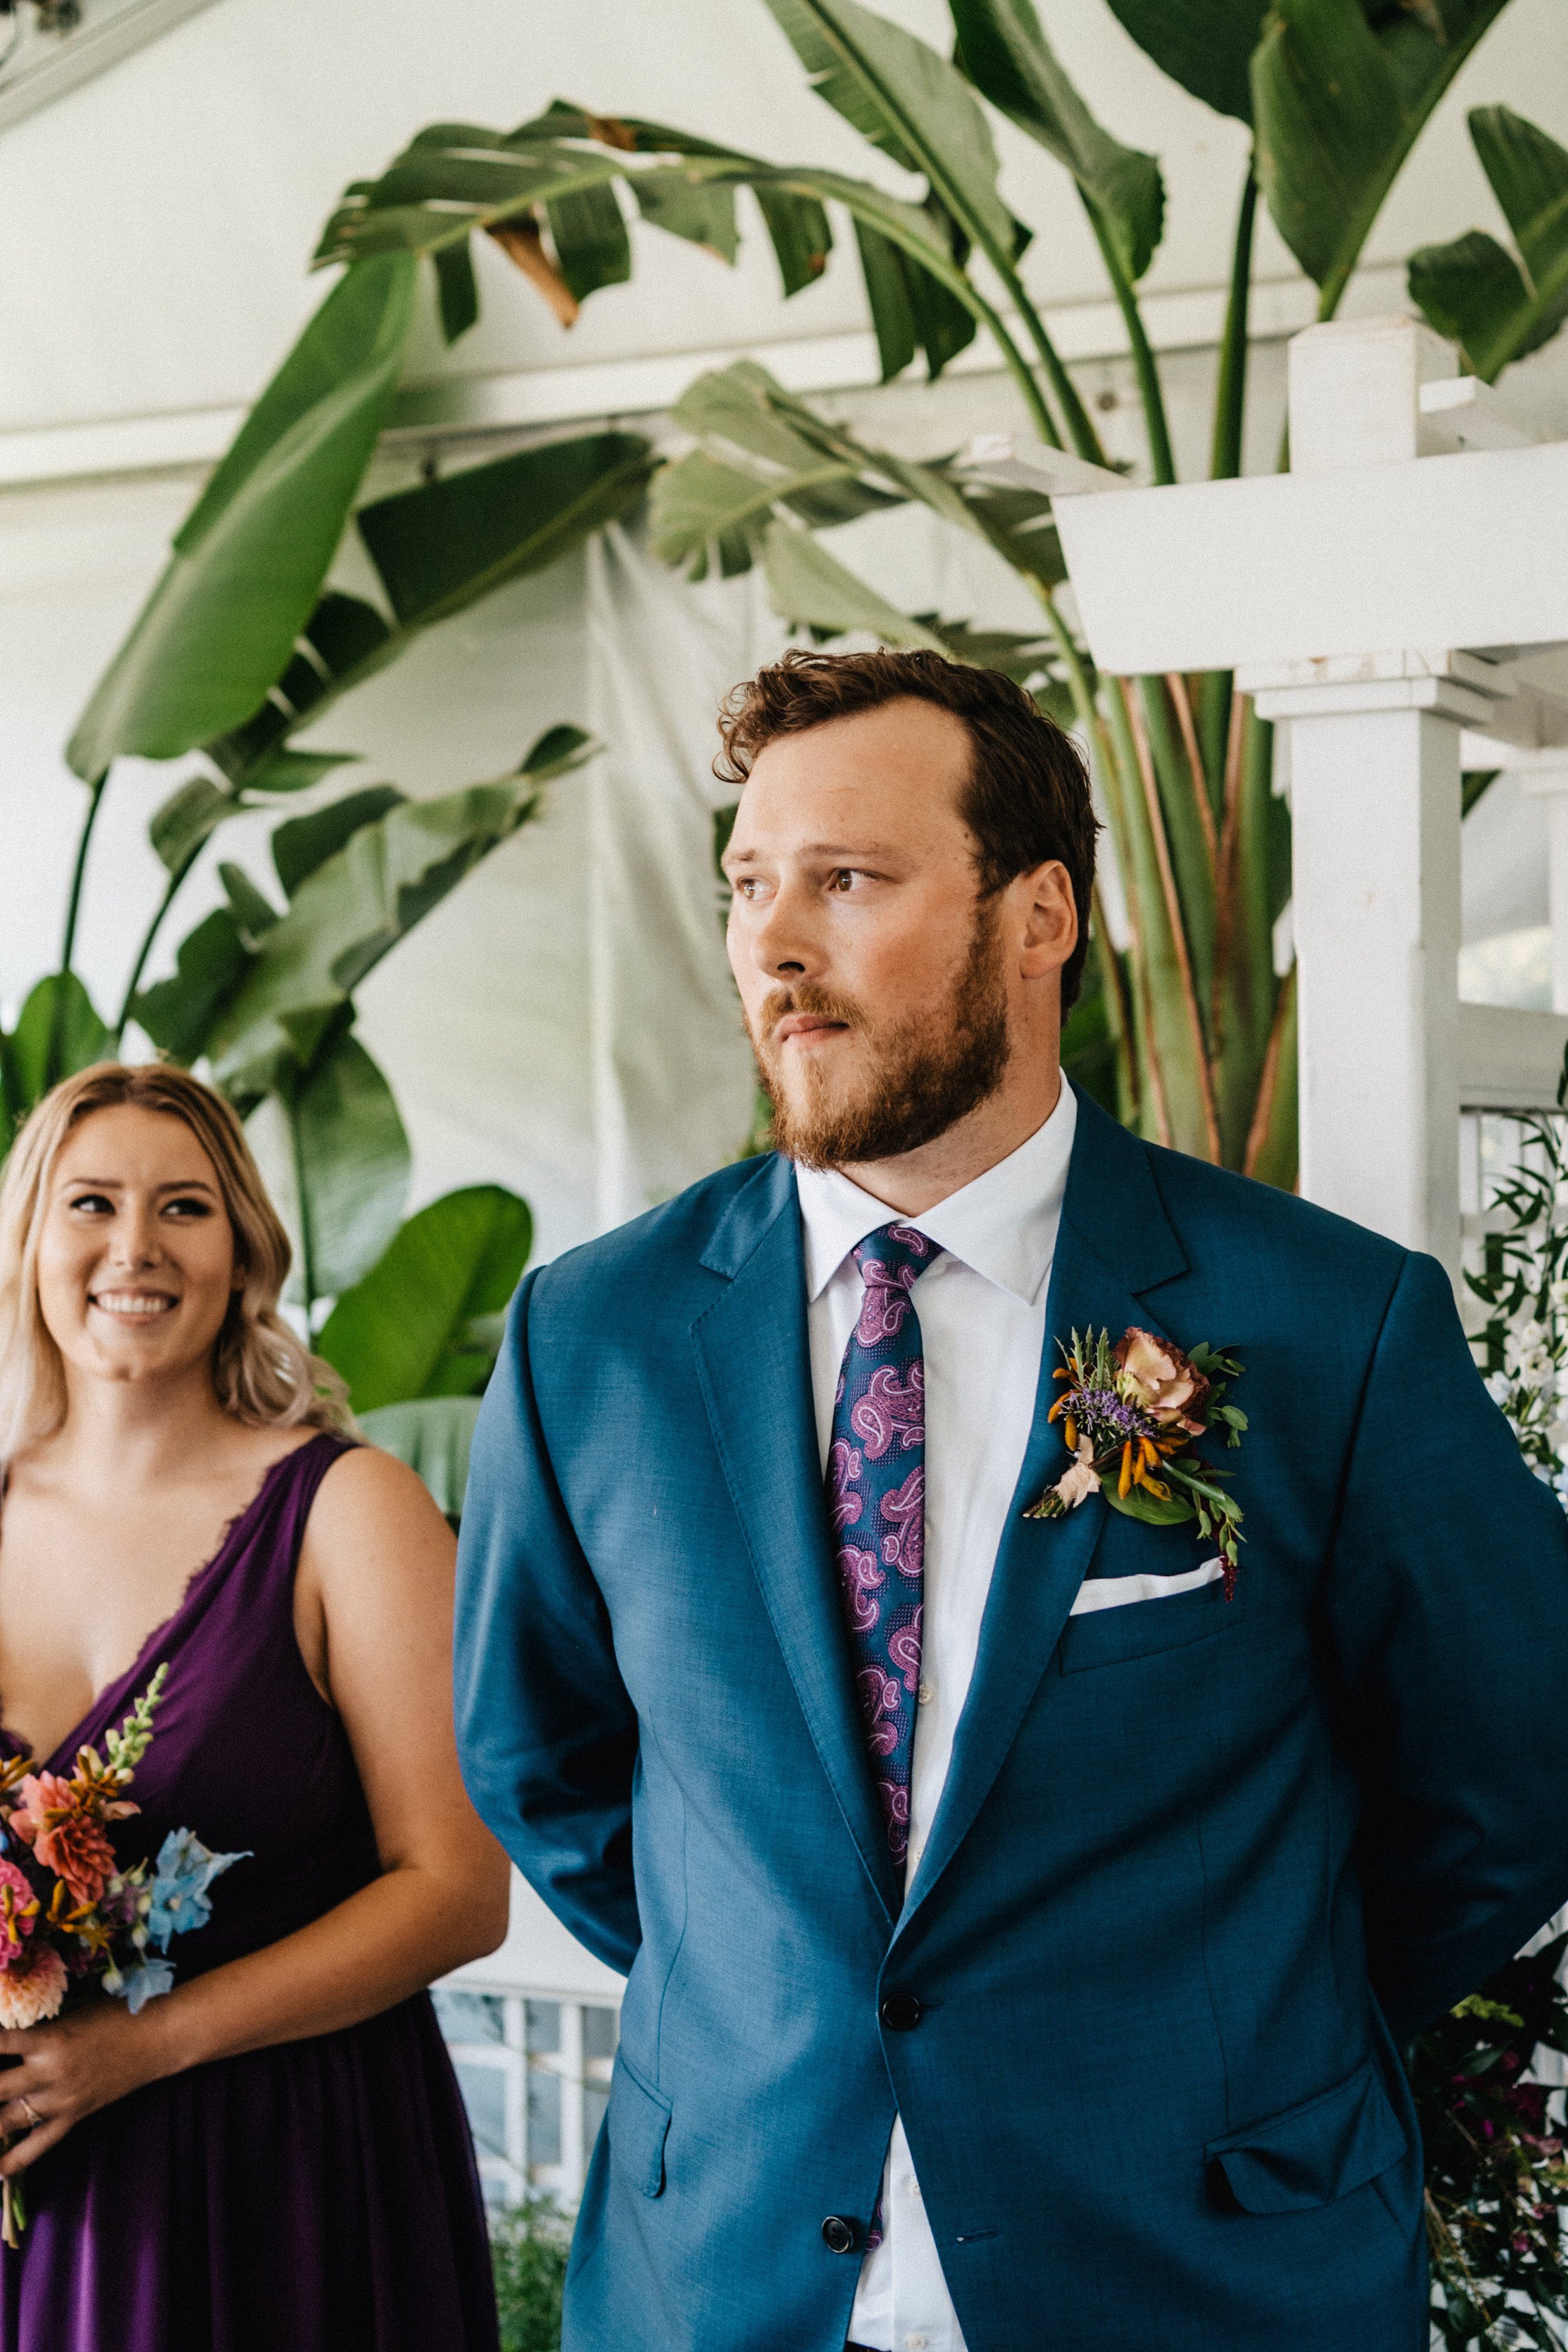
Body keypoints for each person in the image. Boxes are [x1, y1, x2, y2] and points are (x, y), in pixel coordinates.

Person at [453, 647, 1568, 2352]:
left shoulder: (1326, 1323)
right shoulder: (591, 1337)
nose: (772, 941)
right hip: (729, 2284)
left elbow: (1509, 1772)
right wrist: (789, 1984)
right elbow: (548, 1767)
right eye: (750, 882)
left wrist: (1231, 2031)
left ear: (1037, 912)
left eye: (848, 876)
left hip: (1196, 2274)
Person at [0, 1061, 508, 2352]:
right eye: (91, 1204)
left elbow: (456, 1889)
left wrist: (140, 2049)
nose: (134, 1247)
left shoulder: (352, 1513)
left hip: (281, 2177)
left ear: (244, 1251)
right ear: (30, 1238)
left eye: (183, 1208)